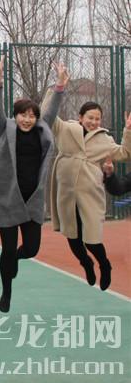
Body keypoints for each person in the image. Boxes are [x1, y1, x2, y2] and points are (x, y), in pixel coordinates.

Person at [0, 59, 69, 312]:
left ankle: (16, 258)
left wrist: (59, 85)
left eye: (32, 115)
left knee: (32, 249)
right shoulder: (5, 129)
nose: (27, 119)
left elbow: (52, 110)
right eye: (23, 115)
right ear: (15, 116)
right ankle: (6, 292)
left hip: (33, 200)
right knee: (7, 249)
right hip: (8, 200)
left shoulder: (42, 130)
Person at [51, 97, 131, 291]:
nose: (94, 122)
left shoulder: (104, 139)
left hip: (91, 196)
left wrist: (128, 130)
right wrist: (58, 88)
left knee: (92, 241)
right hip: (67, 196)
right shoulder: (66, 129)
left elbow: (125, 153)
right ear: (80, 117)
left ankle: (104, 265)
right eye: (90, 118)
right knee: (73, 239)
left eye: (97, 119)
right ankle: (86, 263)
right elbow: (48, 115)